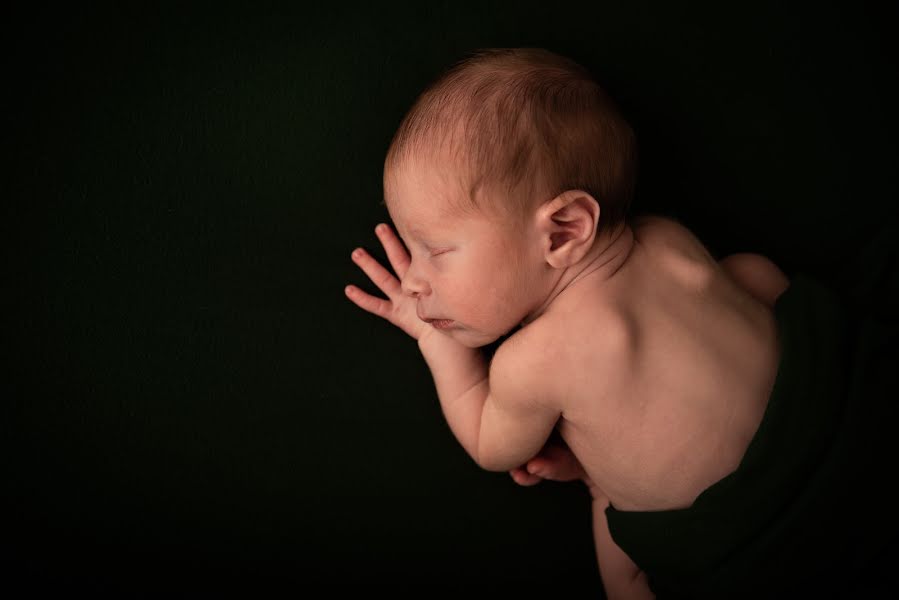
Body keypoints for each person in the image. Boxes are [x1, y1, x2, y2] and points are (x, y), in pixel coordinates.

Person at [344, 48, 899, 599]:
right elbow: (751, 288)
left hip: (762, 537)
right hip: (855, 421)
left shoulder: (530, 362)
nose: (415, 282)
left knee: (617, 539)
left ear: (563, 231)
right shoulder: (665, 238)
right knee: (746, 274)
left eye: (435, 251)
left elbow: (493, 447)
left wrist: (436, 343)